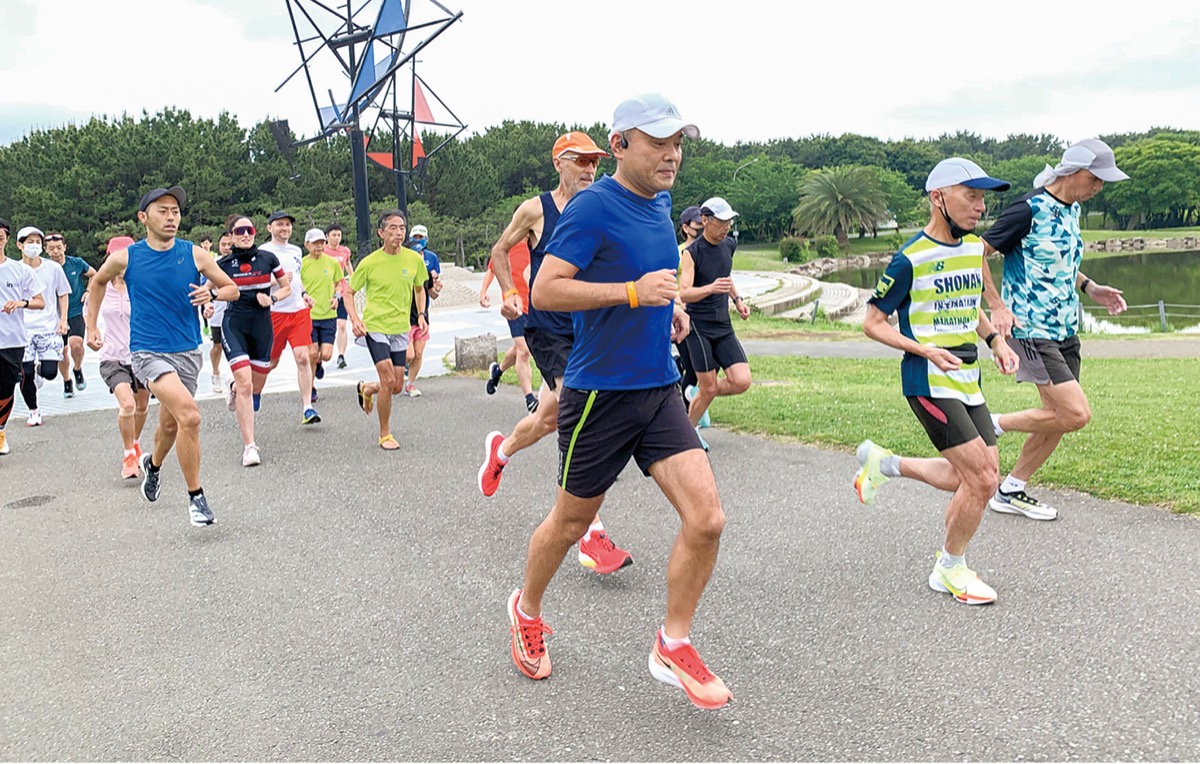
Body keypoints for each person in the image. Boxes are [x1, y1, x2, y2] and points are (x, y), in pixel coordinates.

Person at [505, 95, 734, 710]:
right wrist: (633, 293)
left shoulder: (660, 206)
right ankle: (526, 609)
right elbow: (546, 291)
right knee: (571, 524)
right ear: (620, 146)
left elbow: (657, 284)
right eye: (658, 142)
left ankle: (672, 641)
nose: (672, 154)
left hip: (658, 387)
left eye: (678, 142)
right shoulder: (592, 207)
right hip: (600, 394)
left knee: (707, 518)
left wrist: (673, 310)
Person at [853, 158, 1021, 605]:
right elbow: (873, 322)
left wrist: (996, 342)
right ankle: (950, 568)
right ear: (938, 197)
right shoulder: (909, 258)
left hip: (969, 377)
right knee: (983, 480)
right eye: (971, 195)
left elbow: (971, 307)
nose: (980, 206)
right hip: (928, 379)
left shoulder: (972, 250)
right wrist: (922, 349)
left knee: (977, 476)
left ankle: (885, 465)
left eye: (983, 197)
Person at [477, 131, 634, 576]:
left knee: (548, 417)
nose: (589, 169)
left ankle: (500, 452)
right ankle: (591, 530)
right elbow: (499, 250)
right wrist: (509, 291)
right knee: (574, 403)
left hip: (587, 324)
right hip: (547, 325)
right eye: (580, 161)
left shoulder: (602, 205)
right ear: (558, 164)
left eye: (595, 163)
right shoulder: (535, 209)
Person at [979, 139, 1130, 522]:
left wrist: (1090, 287)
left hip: (1065, 327)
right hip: (1031, 329)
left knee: (1058, 417)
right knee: (1075, 414)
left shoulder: (1072, 209)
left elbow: (1058, 259)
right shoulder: (1027, 210)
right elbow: (975, 253)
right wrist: (996, 305)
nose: (1099, 188)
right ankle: (993, 423)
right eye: (1096, 179)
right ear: (1075, 171)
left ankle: (1011, 488)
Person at [85, 186, 239, 526]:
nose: (171, 217)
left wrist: (211, 290)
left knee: (171, 424)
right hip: (147, 351)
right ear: (144, 217)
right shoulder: (127, 257)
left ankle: (152, 467)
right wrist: (91, 326)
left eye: (175, 211)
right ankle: (196, 498)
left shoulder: (195, 254)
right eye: (163, 211)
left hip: (186, 350)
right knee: (192, 417)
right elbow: (97, 284)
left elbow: (233, 288)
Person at [344, 210, 427, 450]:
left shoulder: (414, 260)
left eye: (401, 228)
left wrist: (420, 315)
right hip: (375, 327)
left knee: (397, 386)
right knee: (388, 379)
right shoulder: (369, 263)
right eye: (392, 228)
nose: (398, 233)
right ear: (381, 233)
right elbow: (348, 293)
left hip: (400, 328)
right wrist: (355, 320)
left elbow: (419, 288)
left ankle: (368, 388)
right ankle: (385, 434)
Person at [215, 216, 290, 467]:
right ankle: (249, 447)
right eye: (240, 231)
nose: (245, 234)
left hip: (262, 325)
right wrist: (206, 305)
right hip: (234, 323)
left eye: (250, 230)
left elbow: (286, 287)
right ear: (232, 235)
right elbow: (210, 290)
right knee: (247, 384)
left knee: (255, 386)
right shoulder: (223, 263)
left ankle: (234, 387)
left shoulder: (268, 259)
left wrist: (274, 299)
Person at [678, 197, 752, 450]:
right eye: (721, 223)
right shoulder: (692, 253)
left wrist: (738, 299)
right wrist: (710, 288)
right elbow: (684, 293)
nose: (726, 228)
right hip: (698, 327)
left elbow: (726, 274)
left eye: (729, 222)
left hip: (723, 325)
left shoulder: (729, 245)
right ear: (706, 221)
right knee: (708, 388)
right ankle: (687, 437)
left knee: (742, 380)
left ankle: (694, 394)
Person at [96, 236, 152, 479]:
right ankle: (129, 454)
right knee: (127, 404)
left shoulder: (142, 286)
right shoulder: (101, 286)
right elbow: (92, 314)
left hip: (141, 354)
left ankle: (136, 442)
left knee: (141, 405)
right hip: (112, 356)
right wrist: (91, 331)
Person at [260, 210, 319, 424]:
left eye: (288, 225)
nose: (285, 228)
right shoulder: (262, 252)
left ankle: (307, 407)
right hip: (275, 313)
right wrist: (278, 281)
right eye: (280, 225)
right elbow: (257, 283)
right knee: (270, 362)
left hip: (298, 311)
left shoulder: (295, 250)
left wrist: (304, 294)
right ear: (270, 228)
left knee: (303, 357)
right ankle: (254, 391)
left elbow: (298, 279)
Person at [0, 218, 47, 460]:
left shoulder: (20, 271)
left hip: (12, 340)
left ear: (6, 240)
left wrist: (21, 303)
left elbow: (40, 302)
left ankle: (1, 430)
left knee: (7, 387)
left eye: (0, 237)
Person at [15, 226, 70, 427]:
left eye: (38, 242)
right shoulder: (15, 269)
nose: (34, 246)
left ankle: (39, 373)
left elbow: (63, 293)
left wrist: (63, 318)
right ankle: (34, 411)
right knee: (25, 373)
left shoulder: (53, 268)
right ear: (19, 245)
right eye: (30, 242)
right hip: (23, 329)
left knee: (49, 372)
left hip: (48, 327)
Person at [480, 240, 537, 412]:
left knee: (519, 348)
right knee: (524, 350)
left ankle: (497, 371)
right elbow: (493, 268)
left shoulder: (541, 241)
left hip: (536, 305)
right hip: (514, 305)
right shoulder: (509, 243)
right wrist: (483, 292)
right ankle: (530, 399)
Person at [45, 233, 95, 397]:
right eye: (51, 249)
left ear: (65, 247)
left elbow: (94, 275)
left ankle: (78, 368)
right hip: (54, 315)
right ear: (46, 250)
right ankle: (67, 381)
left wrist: (88, 291)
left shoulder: (76, 263)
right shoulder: (45, 268)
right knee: (61, 352)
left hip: (75, 311)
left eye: (59, 248)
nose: (56, 252)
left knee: (76, 344)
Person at [299, 228, 345, 401]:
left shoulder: (332, 263)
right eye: (315, 244)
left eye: (321, 243)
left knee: (325, 354)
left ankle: (319, 363)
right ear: (307, 245)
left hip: (328, 314)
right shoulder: (302, 263)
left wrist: (336, 297)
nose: (319, 247)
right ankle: (310, 389)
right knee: (311, 352)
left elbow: (339, 283)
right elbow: (298, 285)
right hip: (308, 315)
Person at [402, 224, 442, 397]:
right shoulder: (401, 270)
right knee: (408, 354)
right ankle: (396, 366)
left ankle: (410, 384)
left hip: (422, 316)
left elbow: (432, 294)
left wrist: (437, 289)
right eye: (415, 252)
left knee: (418, 353)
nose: (418, 256)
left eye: (420, 253)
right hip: (403, 316)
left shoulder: (426, 269)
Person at [203, 231, 234, 393]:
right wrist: (207, 303)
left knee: (237, 345)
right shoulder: (215, 263)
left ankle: (233, 376)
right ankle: (215, 372)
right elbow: (206, 287)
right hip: (218, 311)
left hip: (237, 312)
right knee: (218, 346)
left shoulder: (241, 262)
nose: (227, 248)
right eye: (224, 244)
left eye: (230, 244)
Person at [325, 224, 355, 369]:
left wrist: (354, 279)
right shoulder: (322, 251)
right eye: (333, 235)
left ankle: (341, 355)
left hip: (341, 292)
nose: (336, 238)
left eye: (339, 235)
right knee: (327, 325)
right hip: (326, 293)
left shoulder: (345, 251)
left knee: (341, 324)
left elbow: (348, 264)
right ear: (327, 237)